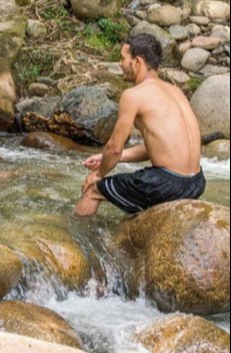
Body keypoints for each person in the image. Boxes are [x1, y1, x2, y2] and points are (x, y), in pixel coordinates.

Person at [74, 33, 205, 216]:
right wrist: (105, 158)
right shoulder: (175, 91)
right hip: (196, 182)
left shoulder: (134, 95)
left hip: (168, 184)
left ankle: (73, 240)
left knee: (93, 191)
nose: (120, 64)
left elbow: (114, 148)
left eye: (123, 58)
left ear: (137, 62)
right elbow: (158, 146)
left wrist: (98, 175)